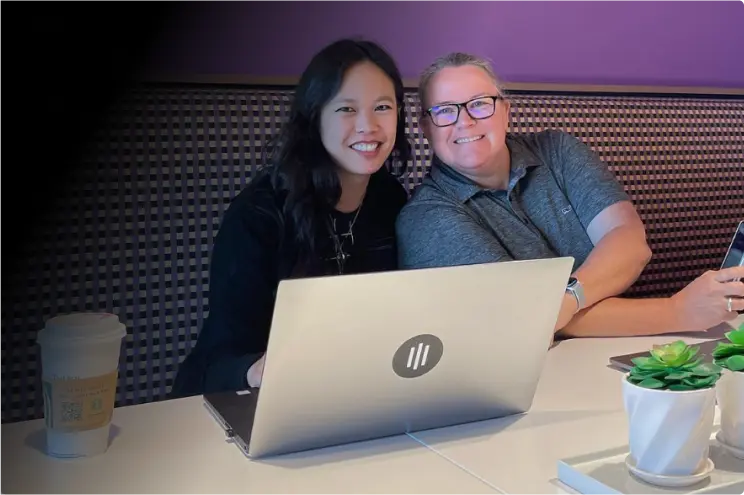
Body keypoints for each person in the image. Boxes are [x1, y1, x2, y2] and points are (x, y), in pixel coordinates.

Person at [396, 52, 744, 338]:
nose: (465, 121)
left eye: (480, 104)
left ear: (505, 110)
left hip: (630, 347)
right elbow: (523, 318)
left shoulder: (558, 150)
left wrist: (565, 300)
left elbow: (628, 241)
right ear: (425, 128)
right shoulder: (426, 218)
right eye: (444, 110)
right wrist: (677, 311)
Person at [171, 38, 411, 397]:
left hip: (353, 395)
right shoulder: (259, 215)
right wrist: (258, 370)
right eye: (346, 109)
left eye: (382, 107)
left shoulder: (390, 199)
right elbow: (219, 358)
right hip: (243, 399)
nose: (368, 125)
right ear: (314, 118)